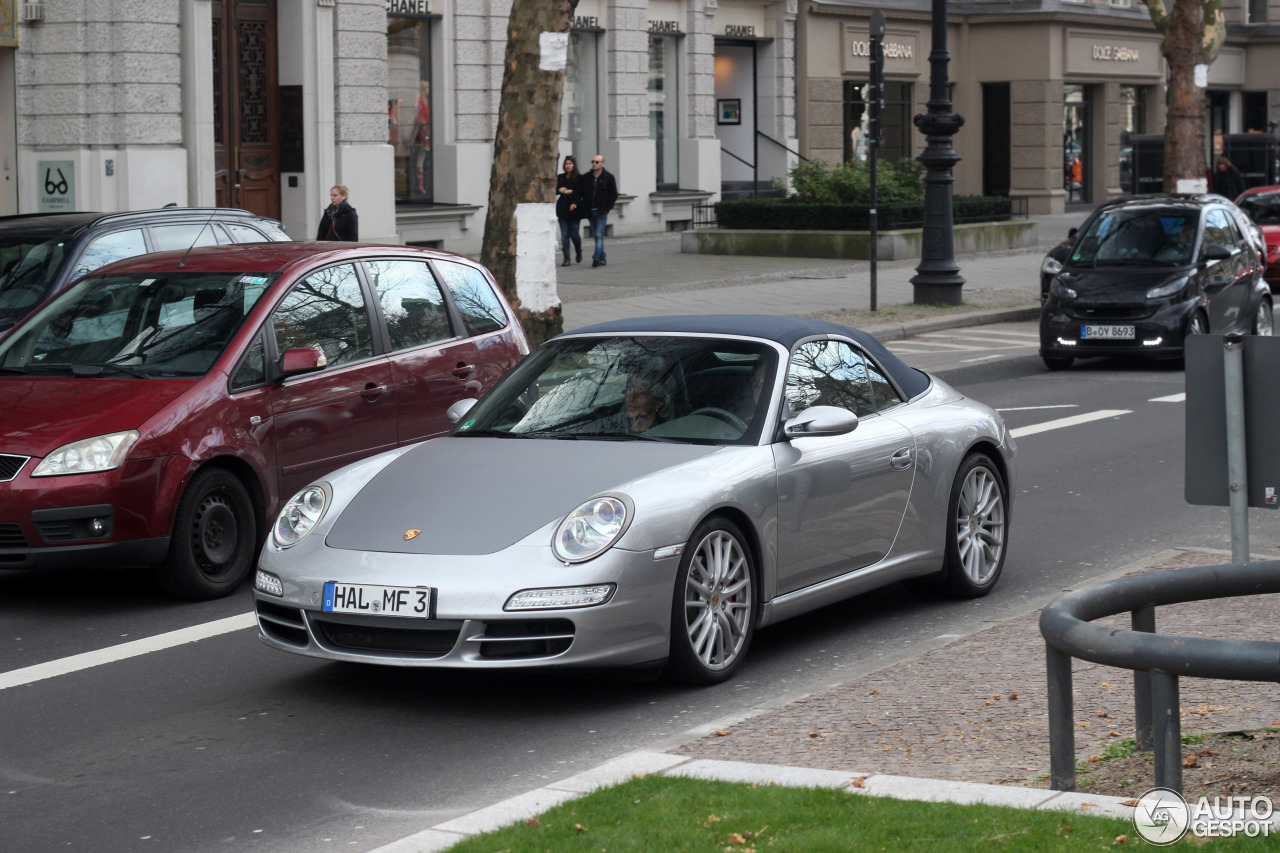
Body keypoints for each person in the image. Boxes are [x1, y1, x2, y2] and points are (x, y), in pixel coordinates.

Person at [580, 154, 618, 268]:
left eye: (597, 162)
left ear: (603, 164)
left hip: (601, 211)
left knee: (599, 234)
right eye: (593, 161)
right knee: (596, 236)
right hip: (590, 211)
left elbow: (613, 194)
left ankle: (596, 257)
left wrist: (608, 207)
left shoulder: (608, 177)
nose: (594, 164)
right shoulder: (587, 177)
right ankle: (602, 257)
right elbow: (582, 192)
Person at [555, 155, 584, 266]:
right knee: (564, 234)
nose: (568, 166)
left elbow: (580, 192)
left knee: (574, 234)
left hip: (574, 209)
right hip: (562, 208)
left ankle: (578, 250)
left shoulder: (579, 178)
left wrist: (573, 197)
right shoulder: (561, 177)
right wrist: (560, 190)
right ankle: (566, 258)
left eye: (570, 164)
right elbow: (555, 190)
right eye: (566, 164)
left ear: (574, 165)